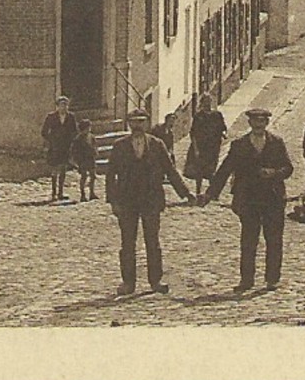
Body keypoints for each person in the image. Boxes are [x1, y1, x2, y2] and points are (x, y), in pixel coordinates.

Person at [204, 106, 296, 291]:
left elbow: (288, 168)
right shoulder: (239, 145)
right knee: (248, 240)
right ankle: (247, 279)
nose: (259, 124)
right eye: (255, 121)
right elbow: (225, 169)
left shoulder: (276, 143)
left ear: (267, 123)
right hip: (249, 199)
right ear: (250, 123)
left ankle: (272, 279)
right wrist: (210, 193)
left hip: (273, 198)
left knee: (274, 239)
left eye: (262, 121)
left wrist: (274, 173)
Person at [104, 110, 194, 295]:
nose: (137, 126)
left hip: (151, 200)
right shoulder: (119, 146)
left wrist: (186, 194)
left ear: (146, 124)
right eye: (134, 122)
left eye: (141, 122)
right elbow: (110, 175)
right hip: (127, 201)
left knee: (152, 242)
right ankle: (128, 282)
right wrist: (113, 201)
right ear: (129, 125)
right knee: (127, 243)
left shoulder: (157, 145)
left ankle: (156, 281)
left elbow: (170, 171)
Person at [183, 93, 228, 198]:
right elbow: (193, 133)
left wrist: (224, 135)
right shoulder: (199, 116)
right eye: (205, 101)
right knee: (199, 170)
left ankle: (213, 193)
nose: (207, 103)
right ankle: (198, 192)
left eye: (209, 101)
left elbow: (223, 128)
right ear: (202, 102)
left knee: (212, 170)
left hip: (213, 147)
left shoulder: (217, 115)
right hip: (201, 146)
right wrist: (195, 148)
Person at [41, 96, 77, 202]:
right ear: (57, 106)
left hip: (65, 147)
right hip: (55, 147)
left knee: (63, 169)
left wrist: (71, 141)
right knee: (54, 169)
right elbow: (44, 131)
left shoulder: (71, 117)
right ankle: (53, 193)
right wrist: (51, 140)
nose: (64, 107)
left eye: (65, 105)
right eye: (61, 105)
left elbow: (74, 131)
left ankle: (61, 192)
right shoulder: (51, 117)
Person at [70, 118, 98, 201]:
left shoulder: (91, 137)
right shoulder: (78, 139)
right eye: (87, 128)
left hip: (91, 159)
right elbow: (74, 151)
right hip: (83, 160)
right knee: (84, 176)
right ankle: (83, 194)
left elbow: (95, 145)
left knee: (93, 176)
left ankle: (92, 193)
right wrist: (77, 161)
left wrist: (95, 152)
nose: (88, 129)